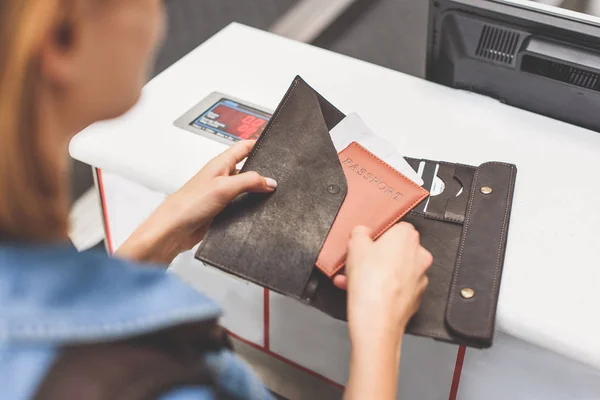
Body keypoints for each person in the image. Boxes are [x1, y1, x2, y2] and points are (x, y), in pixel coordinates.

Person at [0, 1, 433, 399]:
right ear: (61, 40)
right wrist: (380, 329)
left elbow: (62, 322)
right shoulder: (150, 384)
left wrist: (160, 235)